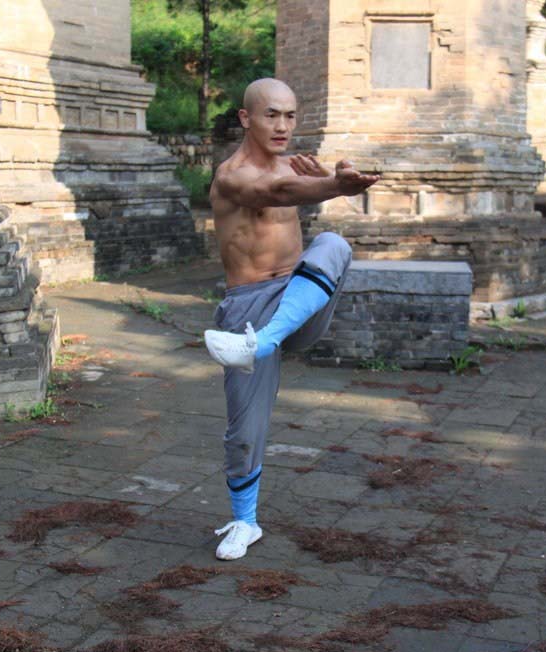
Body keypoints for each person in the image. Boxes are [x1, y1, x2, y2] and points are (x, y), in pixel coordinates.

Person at [203, 78, 380, 560]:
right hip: (248, 305)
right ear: (246, 118)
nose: (283, 126)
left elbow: (297, 186)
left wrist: (328, 181)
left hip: (298, 301)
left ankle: (263, 343)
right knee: (245, 432)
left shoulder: (293, 167)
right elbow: (277, 191)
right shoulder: (231, 175)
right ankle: (245, 523)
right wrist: (330, 185)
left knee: (333, 244)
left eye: (290, 115)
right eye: (271, 115)